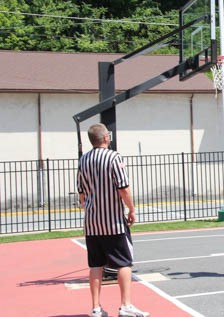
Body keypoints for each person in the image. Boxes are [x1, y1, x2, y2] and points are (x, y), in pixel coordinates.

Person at [77, 123, 149, 317]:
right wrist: (131, 209)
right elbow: (123, 188)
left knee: (95, 265)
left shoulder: (83, 160)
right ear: (106, 138)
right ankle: (126, 305)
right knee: (124, 263)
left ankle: (96, 308)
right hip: (113, 222)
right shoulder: (113, 157)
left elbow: (81, 193)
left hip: (92, 222)